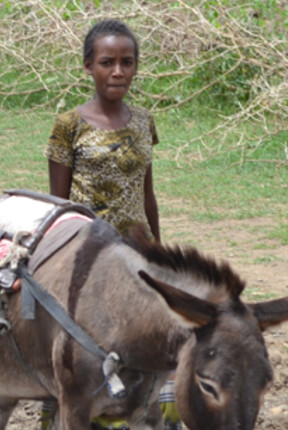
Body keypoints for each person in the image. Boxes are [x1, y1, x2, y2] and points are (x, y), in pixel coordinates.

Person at [41, 19, 177, 430]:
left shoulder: (143, 122)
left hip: (136, 254)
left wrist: (158, 252)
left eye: (127, 62)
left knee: (150, 344)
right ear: (88, 67)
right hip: (90, 256)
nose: (118, 71)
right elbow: (60, 203)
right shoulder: (69, 125)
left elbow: (146, 192)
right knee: (87, 353)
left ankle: (154, 416)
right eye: (107, 62)